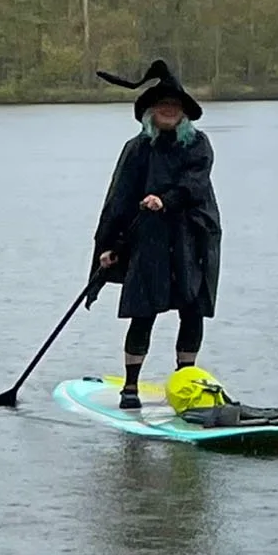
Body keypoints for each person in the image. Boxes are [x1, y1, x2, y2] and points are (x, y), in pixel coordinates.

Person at [87, 60, 222, 410]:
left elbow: (194, 183)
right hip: (148, 240)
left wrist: (165, 199)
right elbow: (119, 200)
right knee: (143, 309)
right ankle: (130, 388)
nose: (168, 111)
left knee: (192, 310)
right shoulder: (137, 149)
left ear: (183, 113)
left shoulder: (198, 145)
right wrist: (111, 245)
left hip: (192, 238)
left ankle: (185, 382)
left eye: (174, 106)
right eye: (162, 106)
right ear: (150, 111)